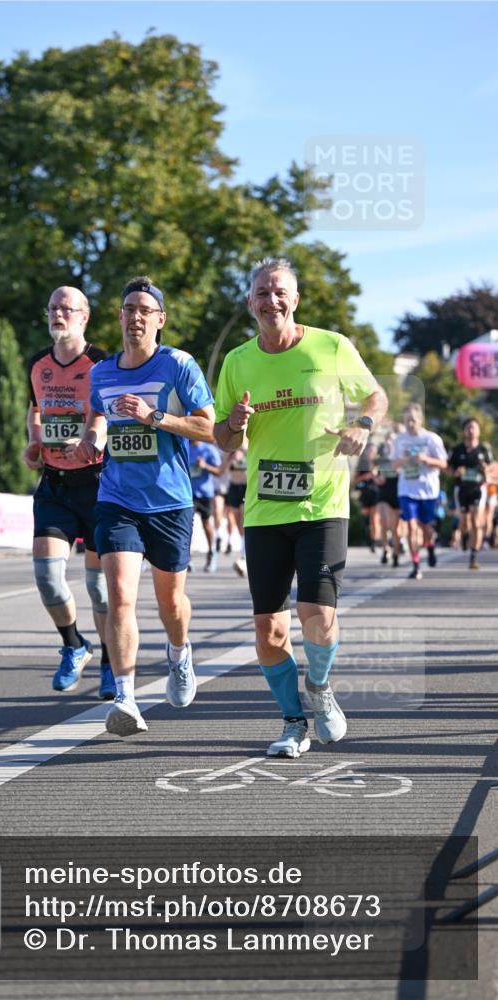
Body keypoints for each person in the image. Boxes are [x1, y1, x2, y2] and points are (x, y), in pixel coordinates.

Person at [214, 258, 387, 759]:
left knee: (317, 617)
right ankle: (294, 723)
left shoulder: (331, 346)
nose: (271, 301)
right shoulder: (237, 361)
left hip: (323, 504)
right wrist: (234, 422)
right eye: (262, 294)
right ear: (250, 303)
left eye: (280, 292)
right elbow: (224, 441)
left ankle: (321, 686)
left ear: (296, 298)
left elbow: (374, 396)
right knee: (269, 631)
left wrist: (363, 426)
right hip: (266, 511)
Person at [74, 275, 215, 737]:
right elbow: (97, 417)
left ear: (160, 319)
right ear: (119, 317)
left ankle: (179, 652)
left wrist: (153, 416)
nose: (135, 317)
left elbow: (209, 429)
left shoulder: (178, 365)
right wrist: (90, 441)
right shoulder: (101, 372)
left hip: (170, 501)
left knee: (171, 603)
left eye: (144, 310)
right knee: (119, 595)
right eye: (128, 308)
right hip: (117, 498)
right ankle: (126, 697)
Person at [22, 285, 115, 699]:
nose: (58, 314)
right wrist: (33, 441)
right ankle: (74, 645)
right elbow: (36, 408)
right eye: (53, 307)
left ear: (84, 317)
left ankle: (112, 664)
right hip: (56, 486)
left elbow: (105, 412)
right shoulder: (37, 364)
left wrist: (93, 438)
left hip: (97, 486)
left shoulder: (100, 362)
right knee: (47, 579)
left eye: (67, 308)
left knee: (99, 588)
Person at [392, 403, 448, 580]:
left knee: (426, 527)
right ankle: (416, 564)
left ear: (421, 420)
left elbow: (444, 464)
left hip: (428, 490)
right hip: (407, 489)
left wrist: (425, 459)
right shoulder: (399, 440)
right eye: (407, 420)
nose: (410, 423)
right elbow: (393, 466)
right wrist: (404, 459)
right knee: (411, 527)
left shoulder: (432, 439)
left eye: (413, 420)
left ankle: (430, 545)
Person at [448, 418, 493, 570]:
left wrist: (485, 469)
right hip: (461, 490)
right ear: (464, 431)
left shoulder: (484, 450)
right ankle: (465, 536)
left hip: (478, 489)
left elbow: (492, 468)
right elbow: (448, 469)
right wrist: (456, 472)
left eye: (474, 427)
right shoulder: (457, 450)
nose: (471, 430)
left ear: (479, 431)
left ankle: (474, 555)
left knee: (476, 521)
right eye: (468, 428)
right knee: (464, 522)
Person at [188, 440, 222, 572]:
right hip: (188, 493)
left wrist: (205, 466)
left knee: (206, 523)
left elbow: (219, 471)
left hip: (205, 493)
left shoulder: (209, 449)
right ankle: (187, 558)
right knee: (187, 526)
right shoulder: (184, 446)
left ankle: (211, 552)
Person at [375, 430, 403, 566]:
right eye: (387, 439)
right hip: (384, 494)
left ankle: (396, 552)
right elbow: (375, 474)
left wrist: (399, 470)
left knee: (395, 528)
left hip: (398, 494)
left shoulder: (400, 458)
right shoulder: (381, 459)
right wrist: (378, 478)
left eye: (392, 440)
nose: (389, 442)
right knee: (384, 523)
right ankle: (385, 549)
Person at [221, 443, 249, 576]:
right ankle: (245, 548)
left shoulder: (248, 447)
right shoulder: (229, 451)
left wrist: (243, 451)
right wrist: (229, 458)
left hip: (246, 486)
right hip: (234, 487)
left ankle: (244, 556)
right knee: (238, 522)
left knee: (244, 518)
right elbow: (221, 471)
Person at [353, 442, 381, 553]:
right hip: (365, 494)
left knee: (374, 519)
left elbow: (384, 481)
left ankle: (374, 543)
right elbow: (355, 480)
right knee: (367, 520)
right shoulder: (362, 465)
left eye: (372, 451)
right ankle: (371, 538)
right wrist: (365, 476)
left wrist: (375, 475)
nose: (370, 453)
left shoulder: (378, 464)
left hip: (376, 494)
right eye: (369, 451)